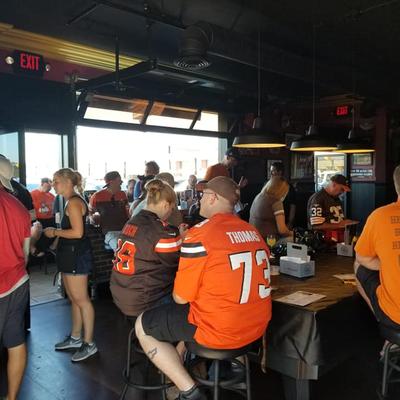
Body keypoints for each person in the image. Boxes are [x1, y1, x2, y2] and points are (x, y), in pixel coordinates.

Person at [135, 176, 272, 400]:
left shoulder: (199, 234)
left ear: (212, 197)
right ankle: (230, 366)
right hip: (255, 330)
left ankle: (189, 391)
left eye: (202, 195)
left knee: (143, 324)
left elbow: (180, 298)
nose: (200, 199)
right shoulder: (253, 232)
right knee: (193, 317)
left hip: (221, 331)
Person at [43, 168, 97, 362]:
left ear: (68, 183)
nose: (53, 184)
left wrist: (54, 233)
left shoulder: (73, 202)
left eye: (56, 181)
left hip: (76, 256)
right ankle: (75, 337)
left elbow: (77, 233)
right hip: (70, 255)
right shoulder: (70, 201)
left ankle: (89, 343)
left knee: (82, 299)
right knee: (74, 299)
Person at [110, 179, 182, 317]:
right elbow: (177, 263)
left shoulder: (131, 222)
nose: (171, 213)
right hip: (145, 300)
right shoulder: (161, 231)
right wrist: (181, 239)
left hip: (120, 293)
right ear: (166, 205)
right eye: (172, 209)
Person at [354, 165, 400, 335]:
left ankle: (385, 326)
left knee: (357, 266)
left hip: (396, 318)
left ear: (396, 186)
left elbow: (362, 258)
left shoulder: (380, 216)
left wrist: (389, 263)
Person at [0, 156, 31, 400]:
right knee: (15, 341)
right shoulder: (18, 206)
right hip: (17, 283)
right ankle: (11, 397)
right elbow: (25, 254)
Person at [307, 174, 358, 242]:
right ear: (334, 184)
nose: (342, 192)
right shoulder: (318, 198)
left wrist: (346, 223)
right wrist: (340, 225)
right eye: (342, 189)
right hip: (324, 241)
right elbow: (316, 226)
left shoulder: (336, 198)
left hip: (338, 239)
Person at [249, 176, 293, 242]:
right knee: (297, 240)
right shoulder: (276, 202)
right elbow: (282, 230)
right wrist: (292, 233)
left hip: (253, 238)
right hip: (269, 241)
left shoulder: (258, 197)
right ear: (281, 190)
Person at [270, 161, 296, 229]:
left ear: (280, 172)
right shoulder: (269, 187)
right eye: (271, 171)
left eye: (273, 171)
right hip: (271, 221)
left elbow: (292, 206)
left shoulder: (288, 187)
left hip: (285, 221)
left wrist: (290, 222)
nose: (271, 173)